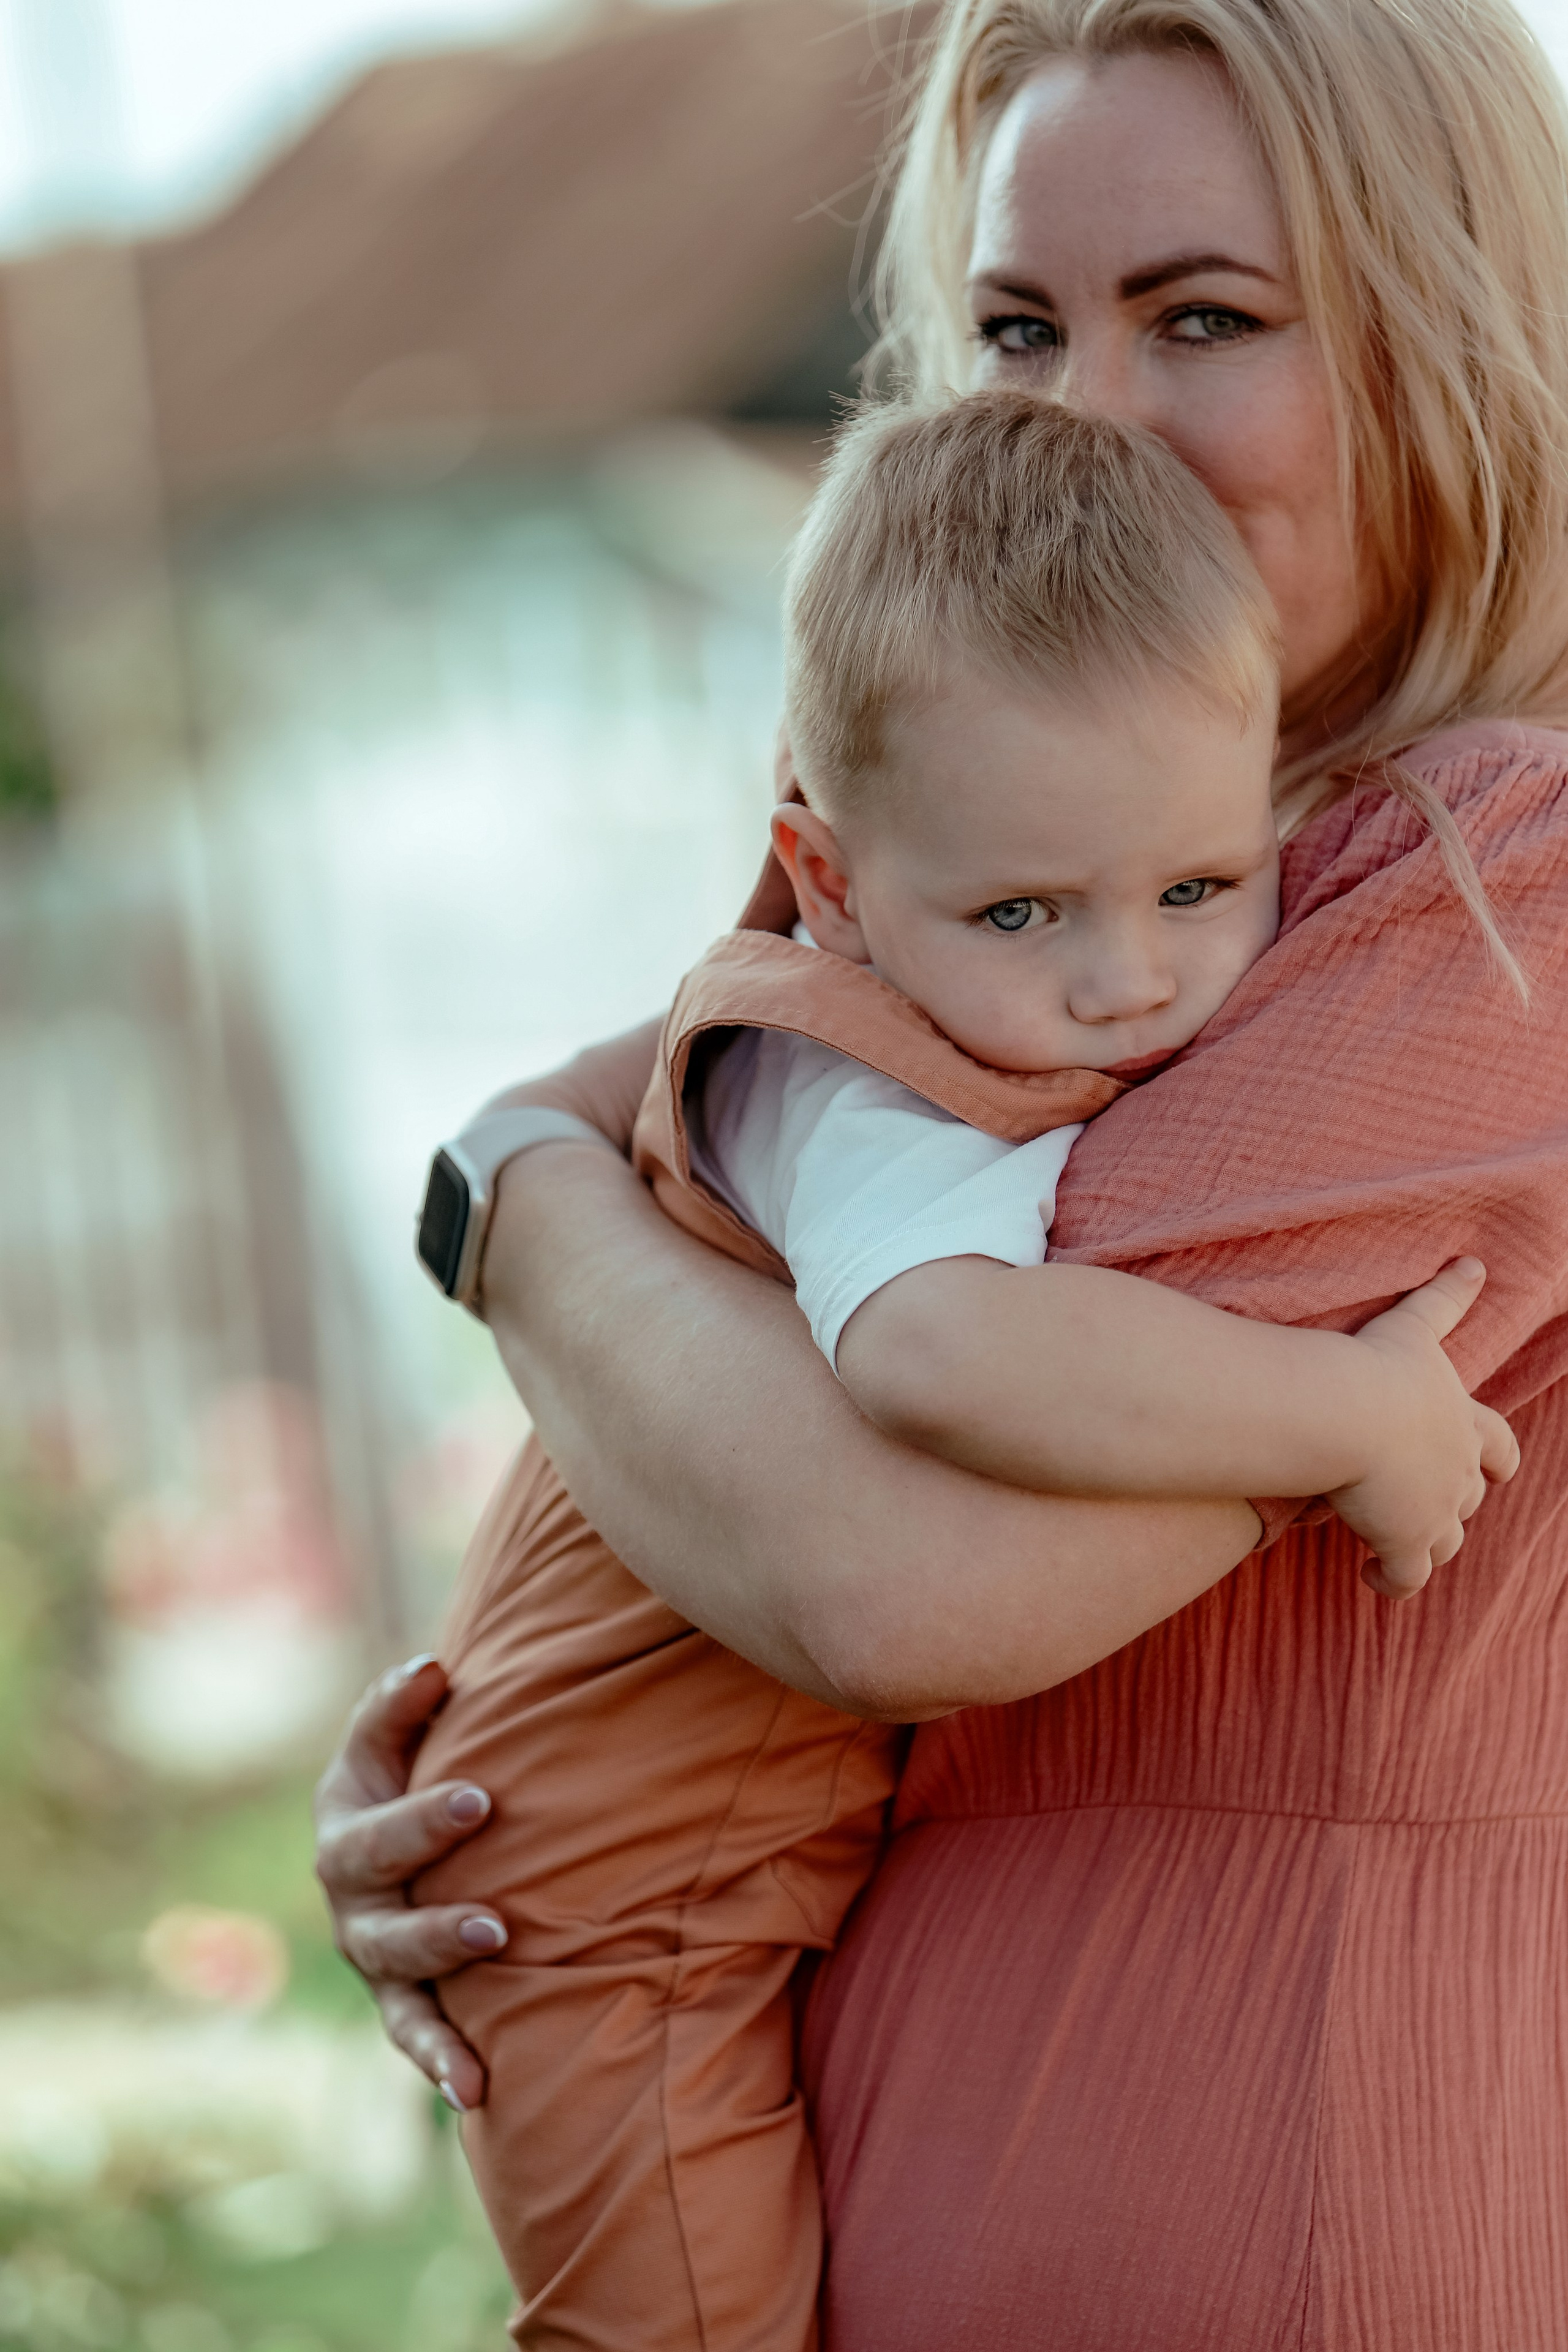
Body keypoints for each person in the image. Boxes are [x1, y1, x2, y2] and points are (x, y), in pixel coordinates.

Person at [315, 0, 1568, 2340]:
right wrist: (524, 1790)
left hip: (1293, 2194)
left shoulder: (1507, 877)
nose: (1087, 419)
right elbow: (716, 1468)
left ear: (1449, 336)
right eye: (1015, 325)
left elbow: (886, 1576)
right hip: (904, 2170)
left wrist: (509, 1200)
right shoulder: (1089, 880)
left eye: (1204, 318)